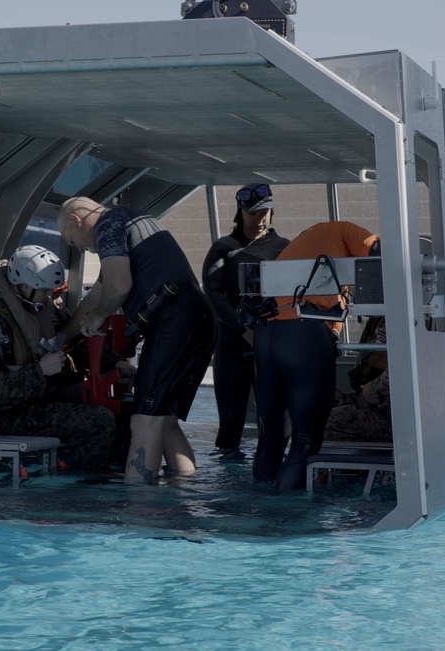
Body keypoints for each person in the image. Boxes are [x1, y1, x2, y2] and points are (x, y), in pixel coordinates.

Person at [58, 196, 218, 482]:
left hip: (173, 319)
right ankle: (185, 497)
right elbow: (96, 296)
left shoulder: (107, 225)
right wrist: (60, 337)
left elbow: (119, 286)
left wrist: (98, 317)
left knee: (143, 421)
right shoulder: (128, 221)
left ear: (76, 220)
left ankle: (139, 516)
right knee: (164, 421)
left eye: (72, 242)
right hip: (199, 316)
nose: (80, 249)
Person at [250, 220, 381, 491]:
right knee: (306, 441)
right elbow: (379, 251)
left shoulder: (302, 246)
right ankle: (293, 519)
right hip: (303, 330)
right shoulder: (343, 230)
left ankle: (259, 509)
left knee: (272, 437)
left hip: (266, 333)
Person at [0, 245, 117, 472]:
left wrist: (114, 362)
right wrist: (39, 371)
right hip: (6, 415)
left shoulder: (38, 307)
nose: (50, 296)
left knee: (121, 412)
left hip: (40, 399)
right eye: (45, 290)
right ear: (24, 286)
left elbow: (73, 340)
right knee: (100, 422)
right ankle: (84, 488)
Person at [202, 183, 290, 459]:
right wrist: (243, 327)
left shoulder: (284, 248)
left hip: (272, 343)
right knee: (230, 423)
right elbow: (213, 294)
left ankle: (270, 471)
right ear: (240, 212)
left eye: (264, 212)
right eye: (252, 213)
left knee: (275, 419)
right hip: (232, 344)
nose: (259, 218)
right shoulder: (224, 248)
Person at [325, 314, 392, 443]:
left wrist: (358, 398)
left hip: (390, 416)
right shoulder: (379, 318)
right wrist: (347, 398)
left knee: (320, 423)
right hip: (379, 406)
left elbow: (395, 378)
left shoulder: (400, 320)